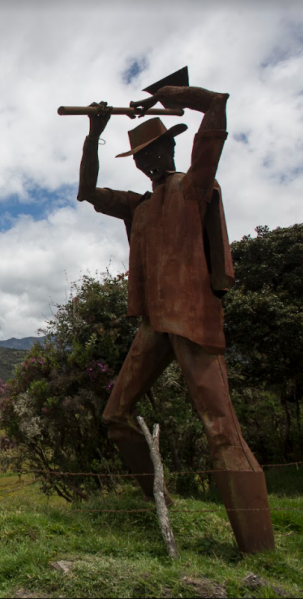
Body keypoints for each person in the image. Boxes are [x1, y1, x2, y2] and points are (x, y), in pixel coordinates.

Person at [76, 85, 275, 554]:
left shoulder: (194, 187)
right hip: (156, 325)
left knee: (222, 430)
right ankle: (162, 502)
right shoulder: (138, 206)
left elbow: (217, 110)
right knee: (116, 416)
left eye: (156, 149)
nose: (150, 161)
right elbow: (86, 191)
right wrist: (93, 135)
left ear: (171, 145)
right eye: (142, 157)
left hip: (193, 322)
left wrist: (175, 93)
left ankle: (258, 548)